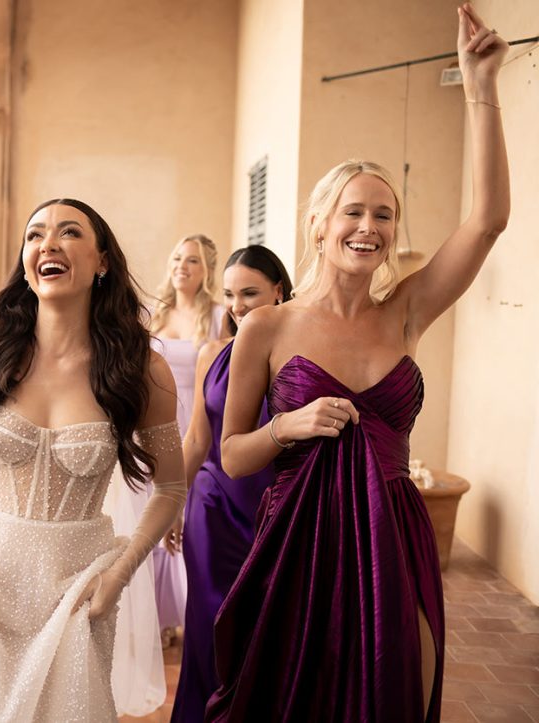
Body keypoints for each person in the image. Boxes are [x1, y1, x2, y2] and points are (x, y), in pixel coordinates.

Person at [207, 6, 508, 720]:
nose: (369, 227)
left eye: (384, 214)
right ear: (318, 222)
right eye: (353, 211)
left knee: (397, 695)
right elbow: (233, 457)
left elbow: (488, 220)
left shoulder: (405, 311)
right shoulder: (267, 326)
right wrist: (290, 425)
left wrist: (481, 86)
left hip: (392, 543)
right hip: (298, 551)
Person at [0, 199, 187, 722]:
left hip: (74, 585)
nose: (48, 243)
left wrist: (120, 570)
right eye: (35, 235)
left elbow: (172, 488)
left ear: (102, 261)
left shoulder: (142, 368)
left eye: (69, 233)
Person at [166, 245, 293, 721]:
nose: (237, 306)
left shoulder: (299, 356)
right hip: (212, 507)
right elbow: (199, 436)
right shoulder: (212, 354)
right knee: (209, 625)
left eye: (250, 293)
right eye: (230, 295)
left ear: (278, 291)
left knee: (269, 629)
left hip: (275, 511)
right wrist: (173, 502)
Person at [147, 234, 227, 643]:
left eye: (192, 260)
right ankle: (158, 621)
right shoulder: (153, 314)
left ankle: (189, 616)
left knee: (189, 522)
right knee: (154, 517)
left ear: (207, 269)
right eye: (177, 257)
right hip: (153, 429)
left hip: (196, 430)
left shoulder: (217, 316)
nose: (182, 266)